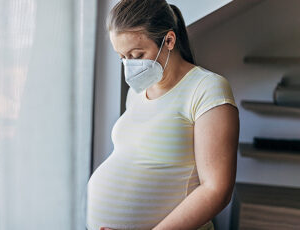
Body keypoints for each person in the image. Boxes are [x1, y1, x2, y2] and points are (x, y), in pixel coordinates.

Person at [86, 0, 240, 229]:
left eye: (136, 55)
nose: (129, 65)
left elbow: (216, 189)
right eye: (122, 57)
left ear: (168, 40)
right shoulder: (137, 93)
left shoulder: (207, 89)